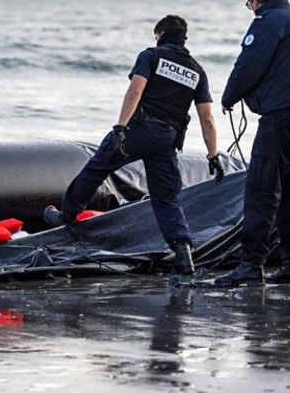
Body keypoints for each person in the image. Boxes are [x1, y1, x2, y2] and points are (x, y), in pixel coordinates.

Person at [43, 15, 224, 278]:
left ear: (160, 34)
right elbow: (207, 118)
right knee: (166, 198)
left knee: (97, 166)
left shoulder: (151, 55)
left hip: (137, 130)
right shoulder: (197, 71)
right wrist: (213, 155)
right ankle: (184, 253)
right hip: (166, 140)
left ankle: (68, 215)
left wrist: (120, 127)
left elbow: (136, 90)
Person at [214, 0, 290, 287]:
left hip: (279, 115)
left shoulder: (267, 23)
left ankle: (252, 265)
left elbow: (249, 64)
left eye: (248, 3)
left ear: (254, 0)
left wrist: (230, 96)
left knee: (262, 189)